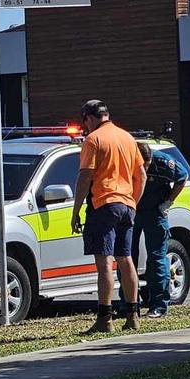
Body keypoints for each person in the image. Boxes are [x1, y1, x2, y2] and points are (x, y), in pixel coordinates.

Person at [71, 100, 146, 333]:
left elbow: (85, 177)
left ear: (89, 118)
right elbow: (141, 175)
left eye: (85, 122)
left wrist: (76, 211)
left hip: (103, 204)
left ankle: (105, 318)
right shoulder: (127, 137)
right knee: (125, 259)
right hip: (126, 204)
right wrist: (132, 201)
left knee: (104, 263)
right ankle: (133, 316)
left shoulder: (93, 140)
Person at [134, 142, 187, 319]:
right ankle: (129, 303)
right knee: (126, 258)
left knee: (156, 258)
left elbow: (182, 177)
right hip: (131, 211)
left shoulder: (164, 162)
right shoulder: (125, 161)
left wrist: (168, 202)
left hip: (155, 211)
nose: (145, 168)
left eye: (147, 164)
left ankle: (158, 305)